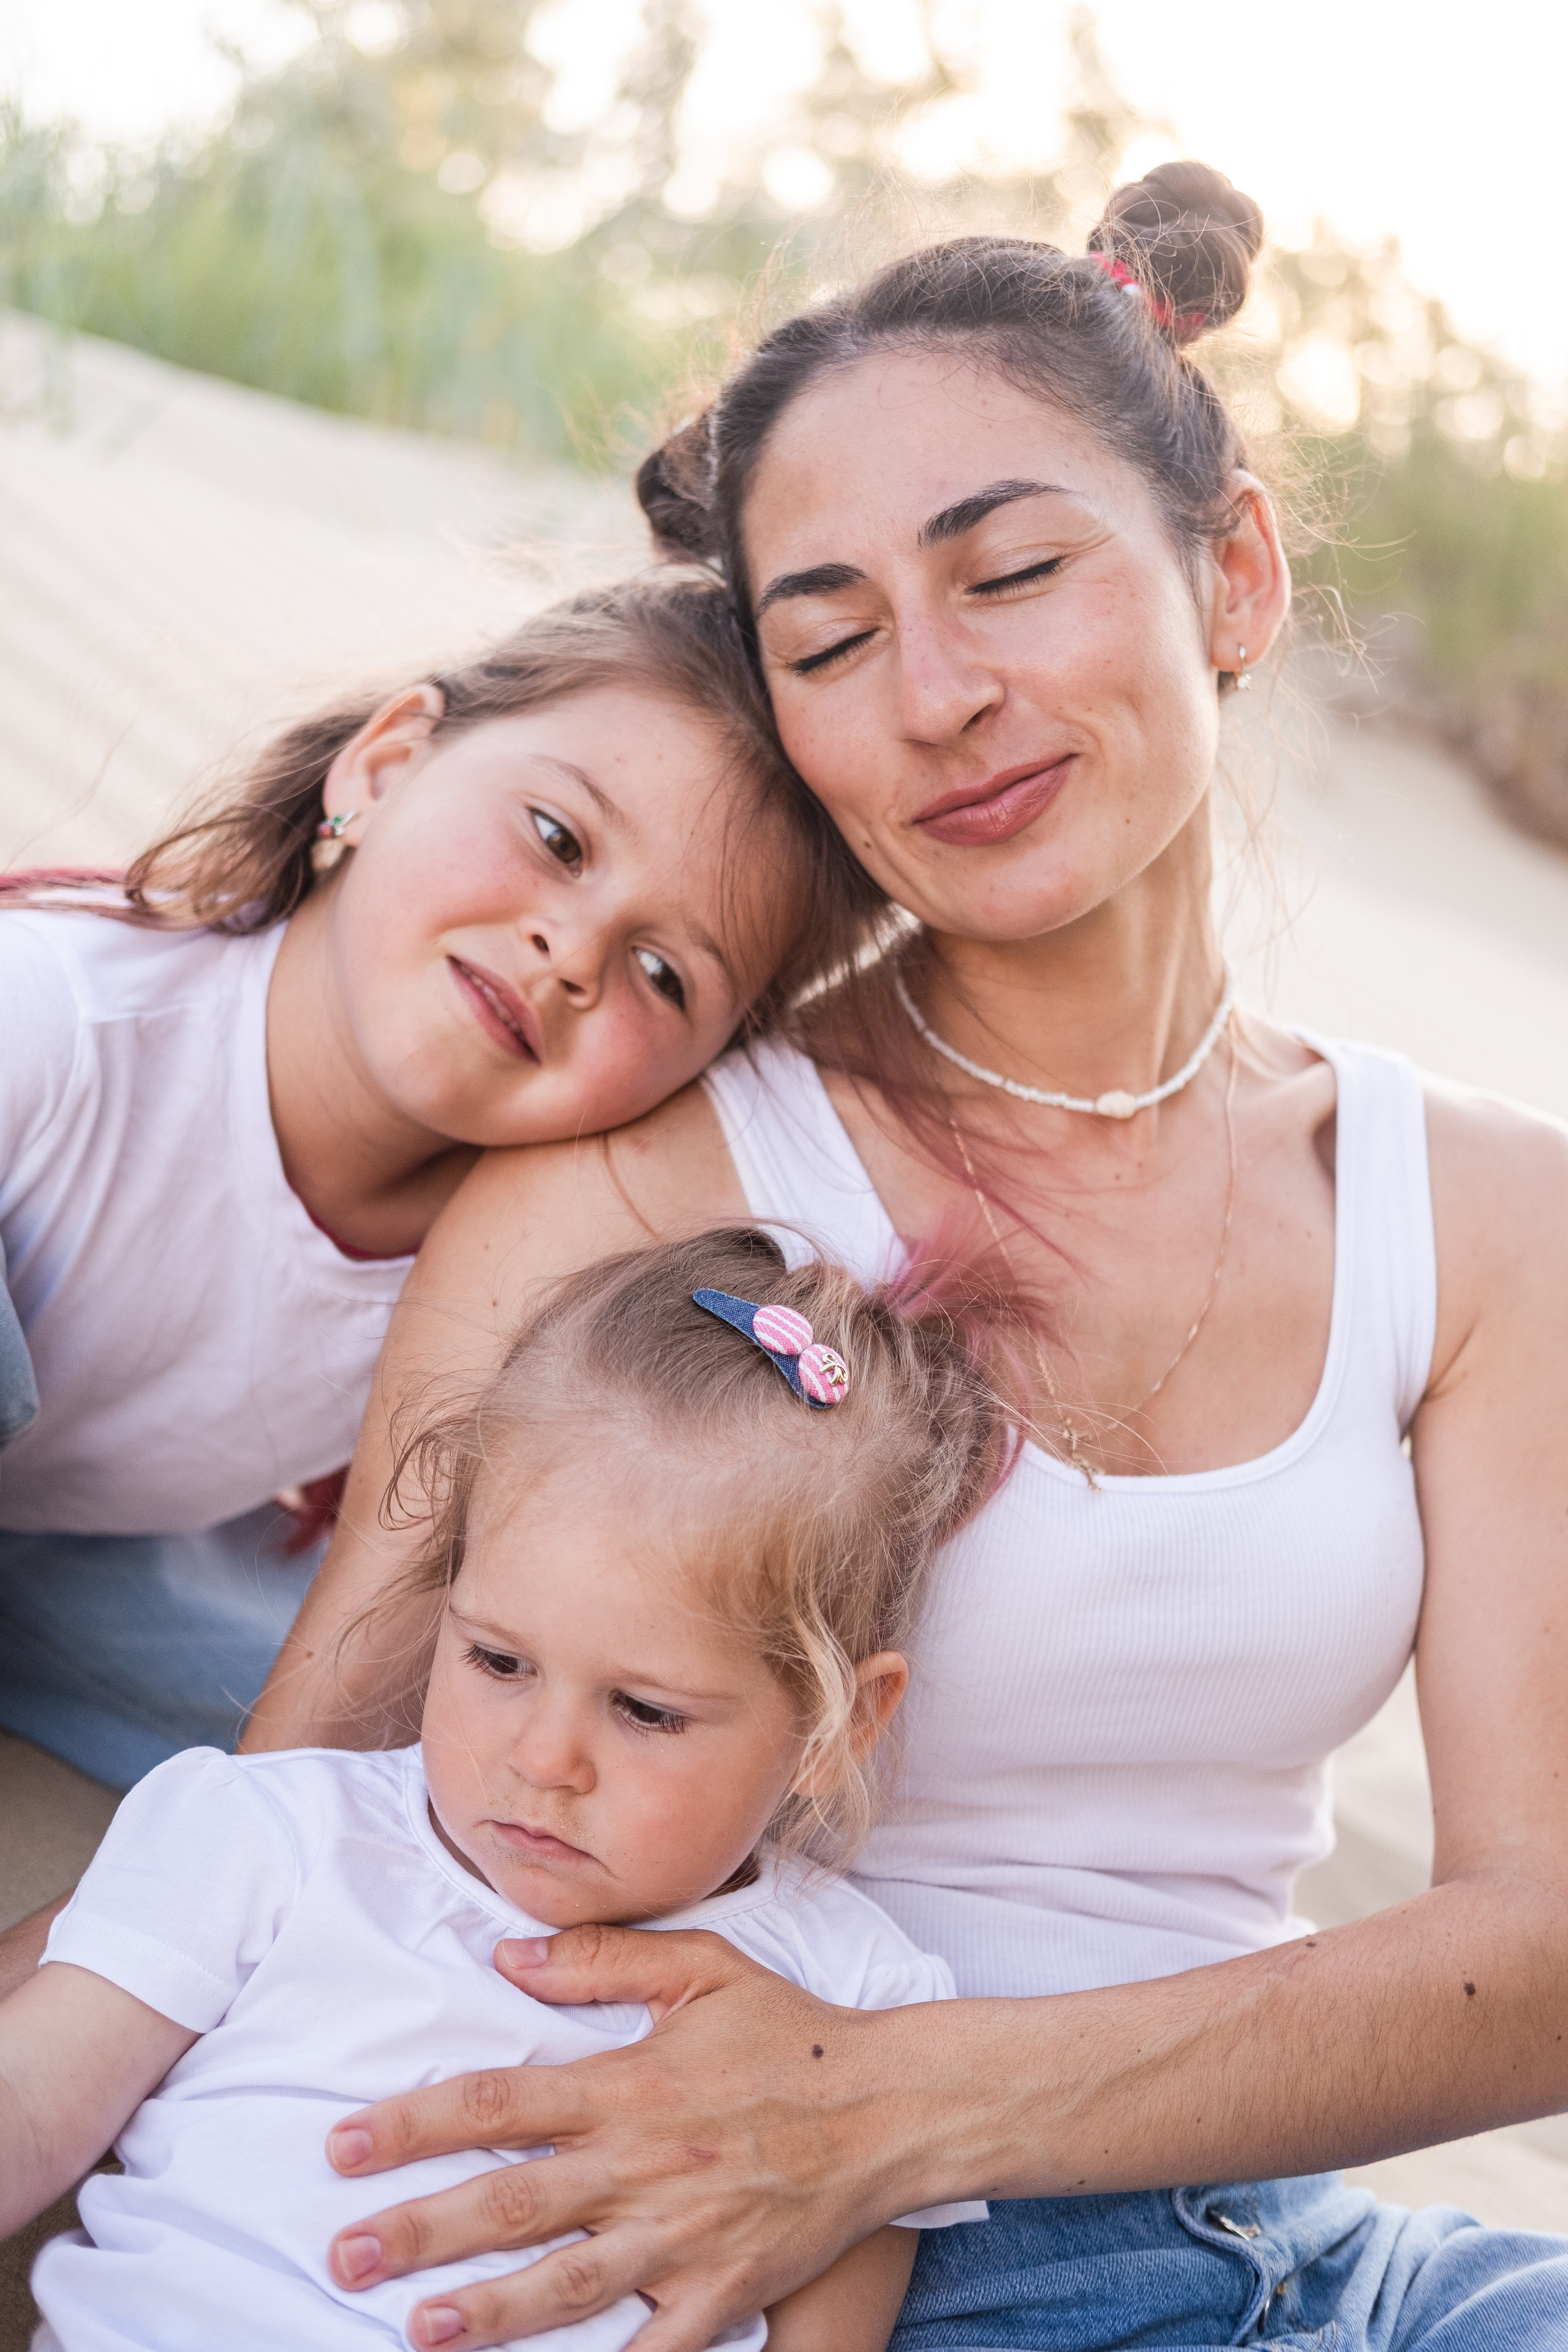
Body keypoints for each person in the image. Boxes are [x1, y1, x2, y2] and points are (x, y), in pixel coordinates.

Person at [157, 162, 1568, 2346]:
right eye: (828, 638)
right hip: (802, 2269)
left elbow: (1546, 1947)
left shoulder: (1476, 1213)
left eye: (1012, 571)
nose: (937, 694)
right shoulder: (646, 1185)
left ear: (1236, 575)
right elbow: (318, 1796)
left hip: (1328, 2258)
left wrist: (899, 2101)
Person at [4, 1229, 1014, 2351]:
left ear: (837, 1727)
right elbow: (33, 2102)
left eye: (645, 1711)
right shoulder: (268, 1837)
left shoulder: (859, 2002)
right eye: (497, 1662)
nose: (543, 1761)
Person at [0, 576, 870, 1791]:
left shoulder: (510, 1273)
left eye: (665, 976)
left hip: (71, 1548)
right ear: (386, 762)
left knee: (422, 1739)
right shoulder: (57, 1019)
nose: (570, 956)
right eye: (557, 839)